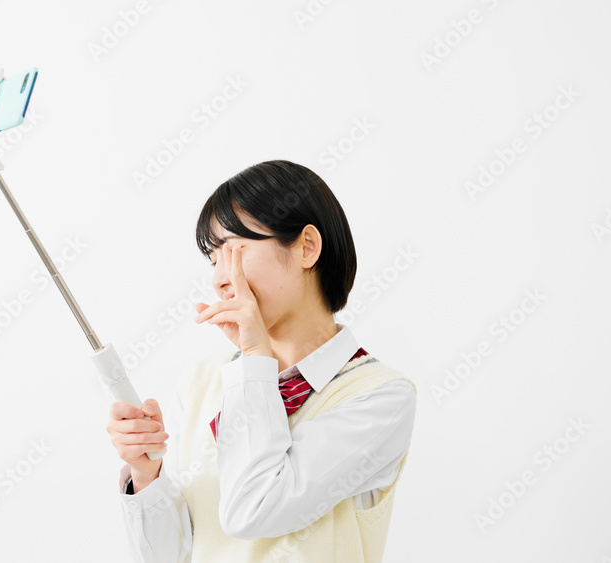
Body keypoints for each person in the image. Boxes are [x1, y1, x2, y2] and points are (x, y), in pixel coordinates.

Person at [106, 160, 417, 562]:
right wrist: (146, 473)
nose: (220, 279)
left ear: (307, 247)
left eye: (235, 250)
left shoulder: (379, 397)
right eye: (213, 259)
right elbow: (170, 557)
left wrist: (256, 357)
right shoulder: (202, 382)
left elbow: (253, 510)